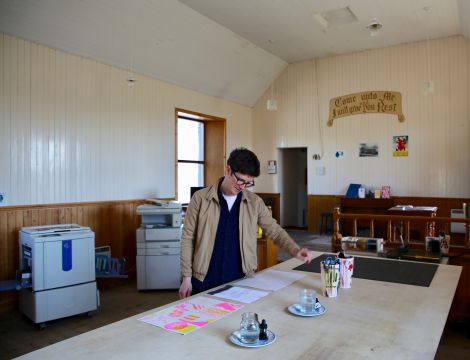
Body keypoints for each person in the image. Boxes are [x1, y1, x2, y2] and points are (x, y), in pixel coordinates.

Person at [179, 147, 313, 299]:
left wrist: (294, 249)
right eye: (240, 180)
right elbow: (188, 238)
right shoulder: (200, 198)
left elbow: (274, 230)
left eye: (248, 183)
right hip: (203, 278)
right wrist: (186, 277)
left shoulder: (254, 202)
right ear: (228, 170)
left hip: (240, 280)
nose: (242, 186)